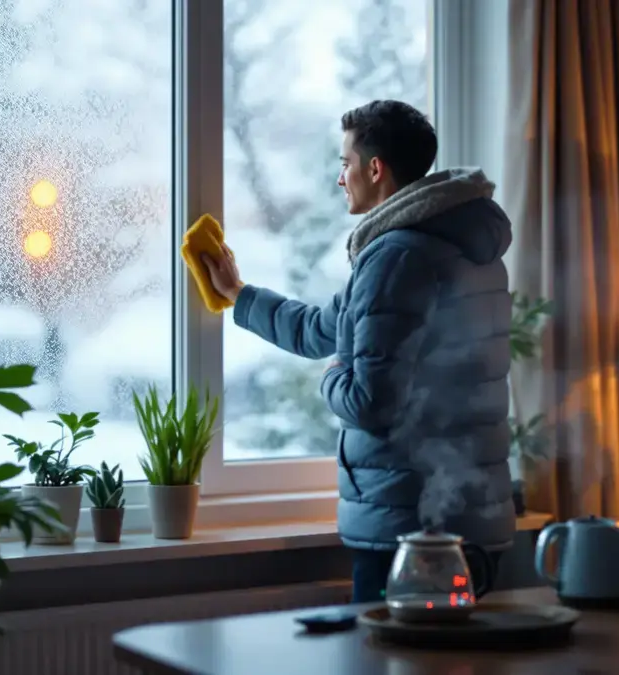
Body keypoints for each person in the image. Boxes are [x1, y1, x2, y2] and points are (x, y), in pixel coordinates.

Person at [202, 99, 515, 604]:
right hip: (470, 515)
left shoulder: (396, 257)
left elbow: (369, 401)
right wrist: (239, 295)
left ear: (375, 168)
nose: (340, 178)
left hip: (409, 528)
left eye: (345, 164)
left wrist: (334, 373)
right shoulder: (461, 247)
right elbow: (321, 329)